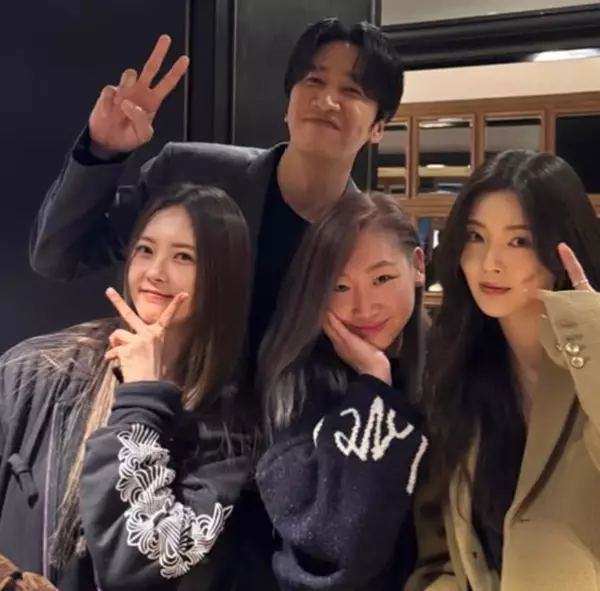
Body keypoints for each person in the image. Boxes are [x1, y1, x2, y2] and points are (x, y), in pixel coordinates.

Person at [29, 18, 404, 353]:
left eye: (352, 91)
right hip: (163, 398)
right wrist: (103, 150)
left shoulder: (366, 238)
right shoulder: (191, 171)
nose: (327, 101)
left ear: (378, 127)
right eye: (314, 80)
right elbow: (57, 256)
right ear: (288, 102)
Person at [0, 184, 255, 591]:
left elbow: (135, 563)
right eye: (145, 250)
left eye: (183, 256)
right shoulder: (38, 368)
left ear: (222, 277)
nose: (155, 272)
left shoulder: (231, 426)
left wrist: (142, 396)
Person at [405, 150, 600, 590]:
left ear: (562, 246)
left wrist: (592, 332)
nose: (490, 262)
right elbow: (444, 555)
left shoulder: (590, 363)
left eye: (519, 241)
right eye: (475, 236)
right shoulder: (457, 367)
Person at [255, 192, 430, 590]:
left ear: (418, 267)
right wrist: (374, 385)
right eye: (339, 287)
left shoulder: (446, 367)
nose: (363, 307)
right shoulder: (296, 384)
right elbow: (339, 543)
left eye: (382, 279)